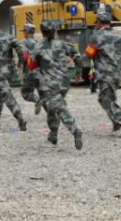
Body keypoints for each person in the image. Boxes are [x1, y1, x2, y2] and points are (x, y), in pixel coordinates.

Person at [32, 20, 85, 150]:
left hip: (50, 84)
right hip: (64, 83)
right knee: (52, 108)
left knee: (59, 108)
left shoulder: (38, 47)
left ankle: (75, 130)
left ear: (42, 32)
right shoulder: (63, 44)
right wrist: (78, 74)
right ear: (55, 31)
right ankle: (53, 134)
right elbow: (78, 57)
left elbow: (32, 65)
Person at [85, 13, 121, 138]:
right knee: (102, 99)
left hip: (104, 73)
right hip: (116, 73)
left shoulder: (96, 36)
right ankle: (116, 121)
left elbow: (89, 54)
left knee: (109, 101)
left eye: (96, 22)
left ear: (99, 22)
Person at [19, 23, 43, 115]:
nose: (23, 33)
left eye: (24, 31)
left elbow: (24, 56)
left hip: (29, 72)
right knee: (43, 94)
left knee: (26, 93)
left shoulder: (23, 43)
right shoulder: (39, 43)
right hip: (40, 72)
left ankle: (37, 100)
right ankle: (52, 113)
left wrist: (20, 63)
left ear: (27, 32)